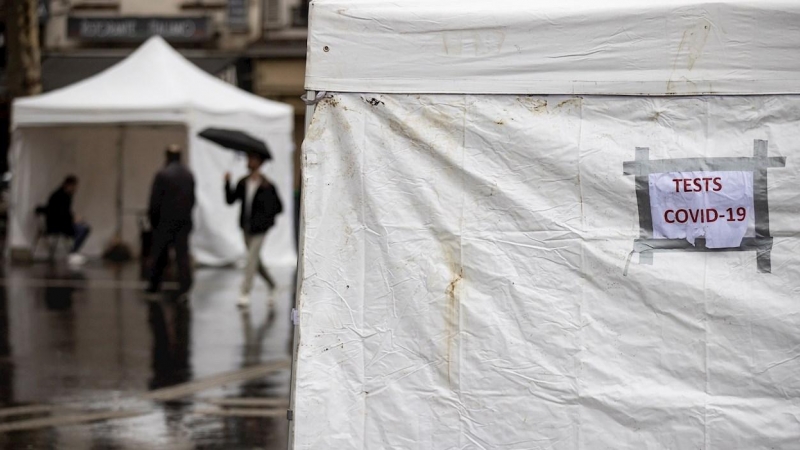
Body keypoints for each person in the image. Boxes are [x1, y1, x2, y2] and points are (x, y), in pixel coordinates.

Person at [225, 152, 283, 308]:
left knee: (250, 259)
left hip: (260, 230)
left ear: (260, 162)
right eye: (249, 158)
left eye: (253, 158)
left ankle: (244, 292)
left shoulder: (267, 186)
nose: (249, 161)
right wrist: (227, 182)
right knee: (256, 261)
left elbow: (278, 207)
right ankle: (272, 285)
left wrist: (265, 219)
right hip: (246, 227)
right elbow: (230, 200)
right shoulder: (243, 182)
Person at [146, 145, 195, 300]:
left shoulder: (162, 174)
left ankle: (154, 286)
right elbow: (192, 200)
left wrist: (153, 221)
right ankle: (184, 287)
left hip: (164, 222)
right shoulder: (188, 175)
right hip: (183, 222)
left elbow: (155, 201)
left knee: (160, 255)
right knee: (182, 256)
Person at [46, 175, 91, 265]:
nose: (76, 189)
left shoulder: (65, 196)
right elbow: (60, 214)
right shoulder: (59, 196)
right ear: (69, 185)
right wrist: (73, 219)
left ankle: (73, 252)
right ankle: (73, 252)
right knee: (83, 229)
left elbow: (65, 213)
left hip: (62, 223)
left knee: (83, 228)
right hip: (58, 224)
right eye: (74, 186)